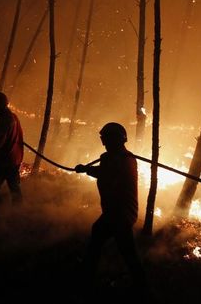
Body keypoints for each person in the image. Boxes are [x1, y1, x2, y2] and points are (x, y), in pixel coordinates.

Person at [74, 122, 146, 288]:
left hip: (120, 214)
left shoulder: (121, 160)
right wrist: (87, 169)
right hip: (116, 212)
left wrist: (87, 169)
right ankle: (87, 271)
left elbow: (107, 174)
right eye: (102, 139)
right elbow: (106, 170)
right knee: (98, 234)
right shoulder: (120, 157)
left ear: (116, 140)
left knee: (128, 252)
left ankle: (143, 287)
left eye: (105, 139)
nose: (103, 142)